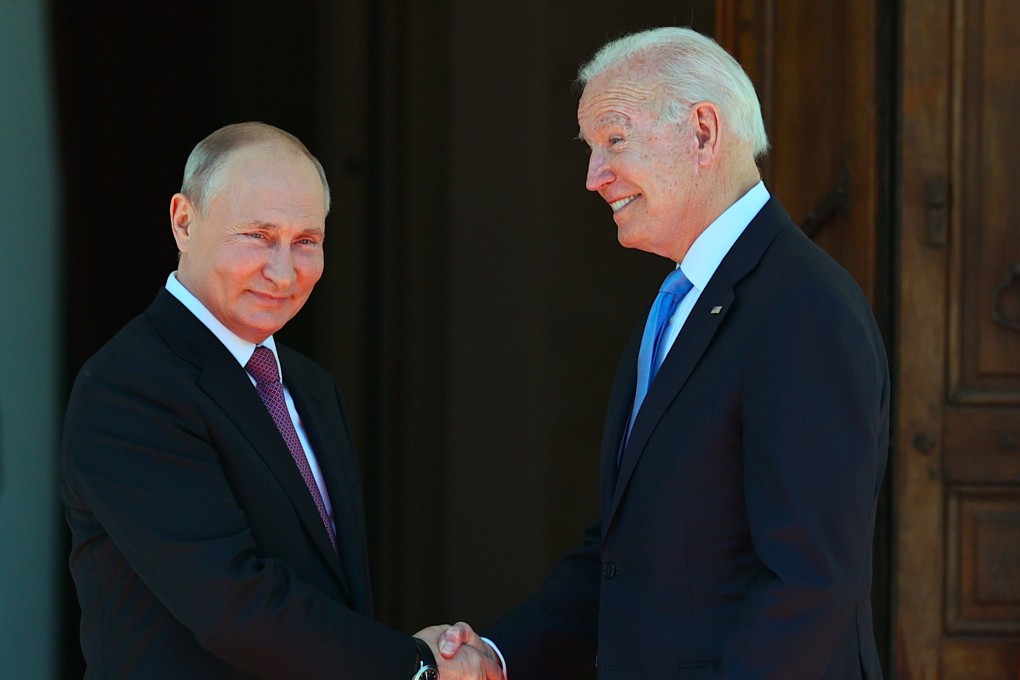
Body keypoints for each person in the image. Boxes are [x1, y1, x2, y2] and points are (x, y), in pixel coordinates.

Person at [436, 26, 889, 678]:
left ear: (704, 132)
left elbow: (809, 582)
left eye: (614, 140)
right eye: (591, 149)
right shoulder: (677, 304)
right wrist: (498, 655)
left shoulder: (801, 309)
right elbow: (626, 552)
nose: (594, 178)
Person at [60, 122, 500, 680]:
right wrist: (415, 666)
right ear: (184, 222)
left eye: (306, 241)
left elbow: (329, 592)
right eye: (259, 236)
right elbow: (232, 606)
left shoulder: (310, 386)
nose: (284, 271)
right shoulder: (130, 388)